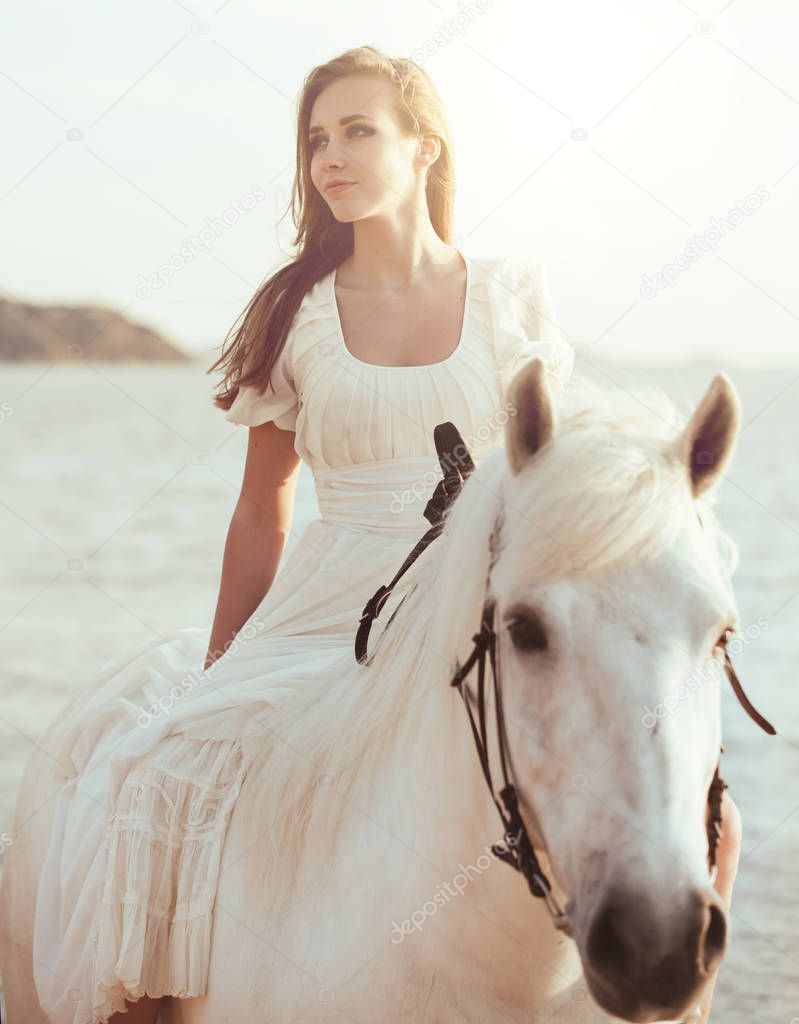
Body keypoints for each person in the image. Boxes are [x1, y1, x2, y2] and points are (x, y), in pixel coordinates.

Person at [26, 44, 740, 1024]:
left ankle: (673, 986)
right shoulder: (295, 312)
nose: (330, 155)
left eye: (357, 130)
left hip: (466, 597)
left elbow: (559, 491)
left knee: (696, 798)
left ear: (424, 147)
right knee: (168, 769)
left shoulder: (505, 298)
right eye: (316, 138)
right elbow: (260, 507)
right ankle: (142, 1008)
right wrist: (219, 669)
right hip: (333, 599)